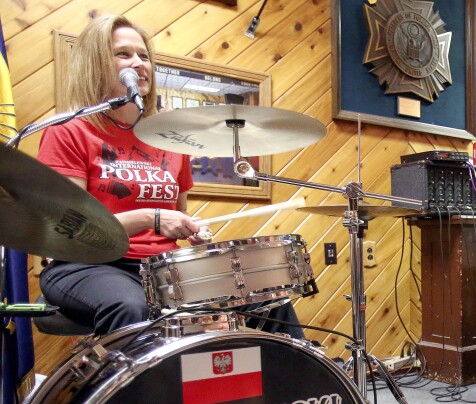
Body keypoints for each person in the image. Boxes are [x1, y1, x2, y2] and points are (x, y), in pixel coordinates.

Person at [38, 15, 303, 338]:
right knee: (131, 307)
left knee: (269, 299)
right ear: (95, 64)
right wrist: (151, 217)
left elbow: (176, 214)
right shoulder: (69, 132)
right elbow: (68, 228)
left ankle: (288, 387)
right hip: (89, 265)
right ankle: (139, 389)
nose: (139, 63)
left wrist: (191, 230)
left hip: (164, 269)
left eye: (144, 55)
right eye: (124, 54)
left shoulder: (169, 140)